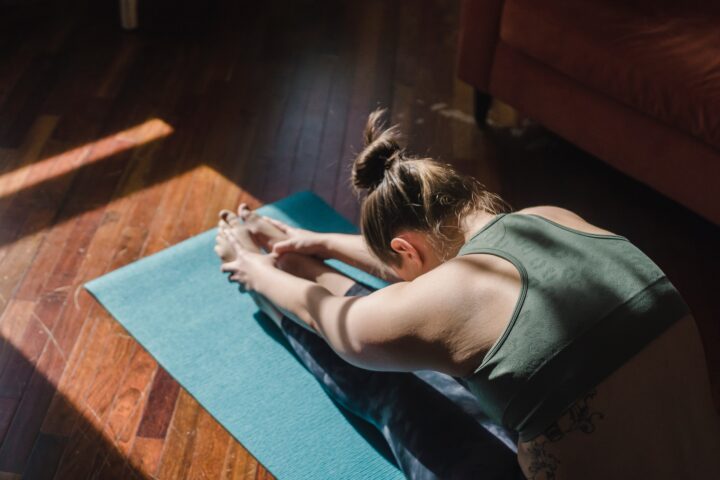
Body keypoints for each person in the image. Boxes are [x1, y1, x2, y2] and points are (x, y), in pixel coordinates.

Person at [215, 108, 720, 479]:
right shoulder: (550, 220)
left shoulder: (454, 296)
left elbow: (338, 324)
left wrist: (253, 269)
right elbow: (437, 271)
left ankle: (287, 281)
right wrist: (325, 243)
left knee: (399, 388)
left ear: (404, 249)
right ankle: (303, 263)